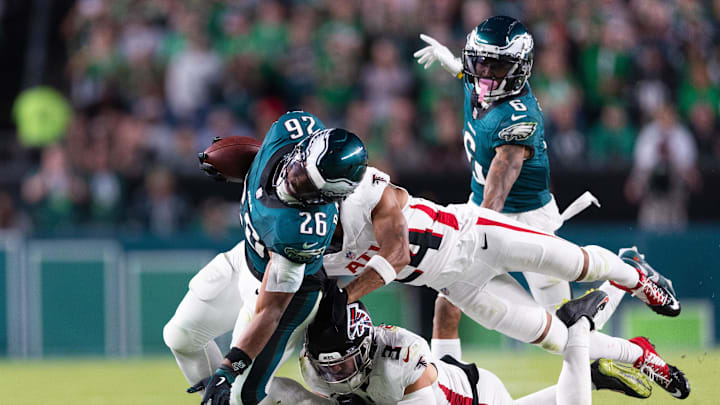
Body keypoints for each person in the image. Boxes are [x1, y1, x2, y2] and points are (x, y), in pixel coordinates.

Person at [320, 165, 689, 399]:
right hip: (455, 282)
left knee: (581, 264)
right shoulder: (321, 254)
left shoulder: (357, 195)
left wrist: (344, 296)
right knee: (559, 339)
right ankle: (640, 354)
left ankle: (635, 275)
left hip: (474, 235)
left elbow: (397, 251)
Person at [413, 15, 620, 361]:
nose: (486, 73)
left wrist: (472, 229)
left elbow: (500, 178)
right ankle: (447, 391)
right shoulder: (478, 82)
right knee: (447, 305)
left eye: (497, 66)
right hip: (482, 211)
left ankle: (622, 284)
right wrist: (455, 67)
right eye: (480, 62)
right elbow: (473, 77)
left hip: (523, 219)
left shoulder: (518, 114)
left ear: (519, 68)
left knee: (567, 336)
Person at [162, 110, 368, 405]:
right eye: (302, 169)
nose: (296, 181)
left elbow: (270, 312)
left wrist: (229, 370)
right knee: (180, 336)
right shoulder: (293, 127)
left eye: (311, 187)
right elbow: (263, 156)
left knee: (242, 394)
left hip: (287, 295)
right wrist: (245, 163)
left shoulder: (301, 229)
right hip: (248, 257)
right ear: (304, 149)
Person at [281, 292, 650, 405]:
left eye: (343, 366)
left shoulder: (399, 359)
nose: (335, 375)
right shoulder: (318, 364)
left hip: (474, 396)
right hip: (442, 374)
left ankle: (580, 328)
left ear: (366, 349)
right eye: (330, 368)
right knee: (445, 310)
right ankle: (591, 375)